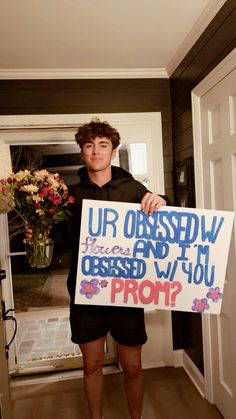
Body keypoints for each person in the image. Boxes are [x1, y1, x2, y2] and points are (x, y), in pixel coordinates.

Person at [27, 118, 166, 419]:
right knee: (91, 365)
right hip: (86, 294)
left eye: (103, 145)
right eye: (89, 145)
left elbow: (164, 228)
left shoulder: (133, 189)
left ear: (113, 152)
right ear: (82, 152)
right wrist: (42, 236)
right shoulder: (69, 194)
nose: (96, 151)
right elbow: (60, 241)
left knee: (132, 366)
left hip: (125, 293)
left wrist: (162, 200)